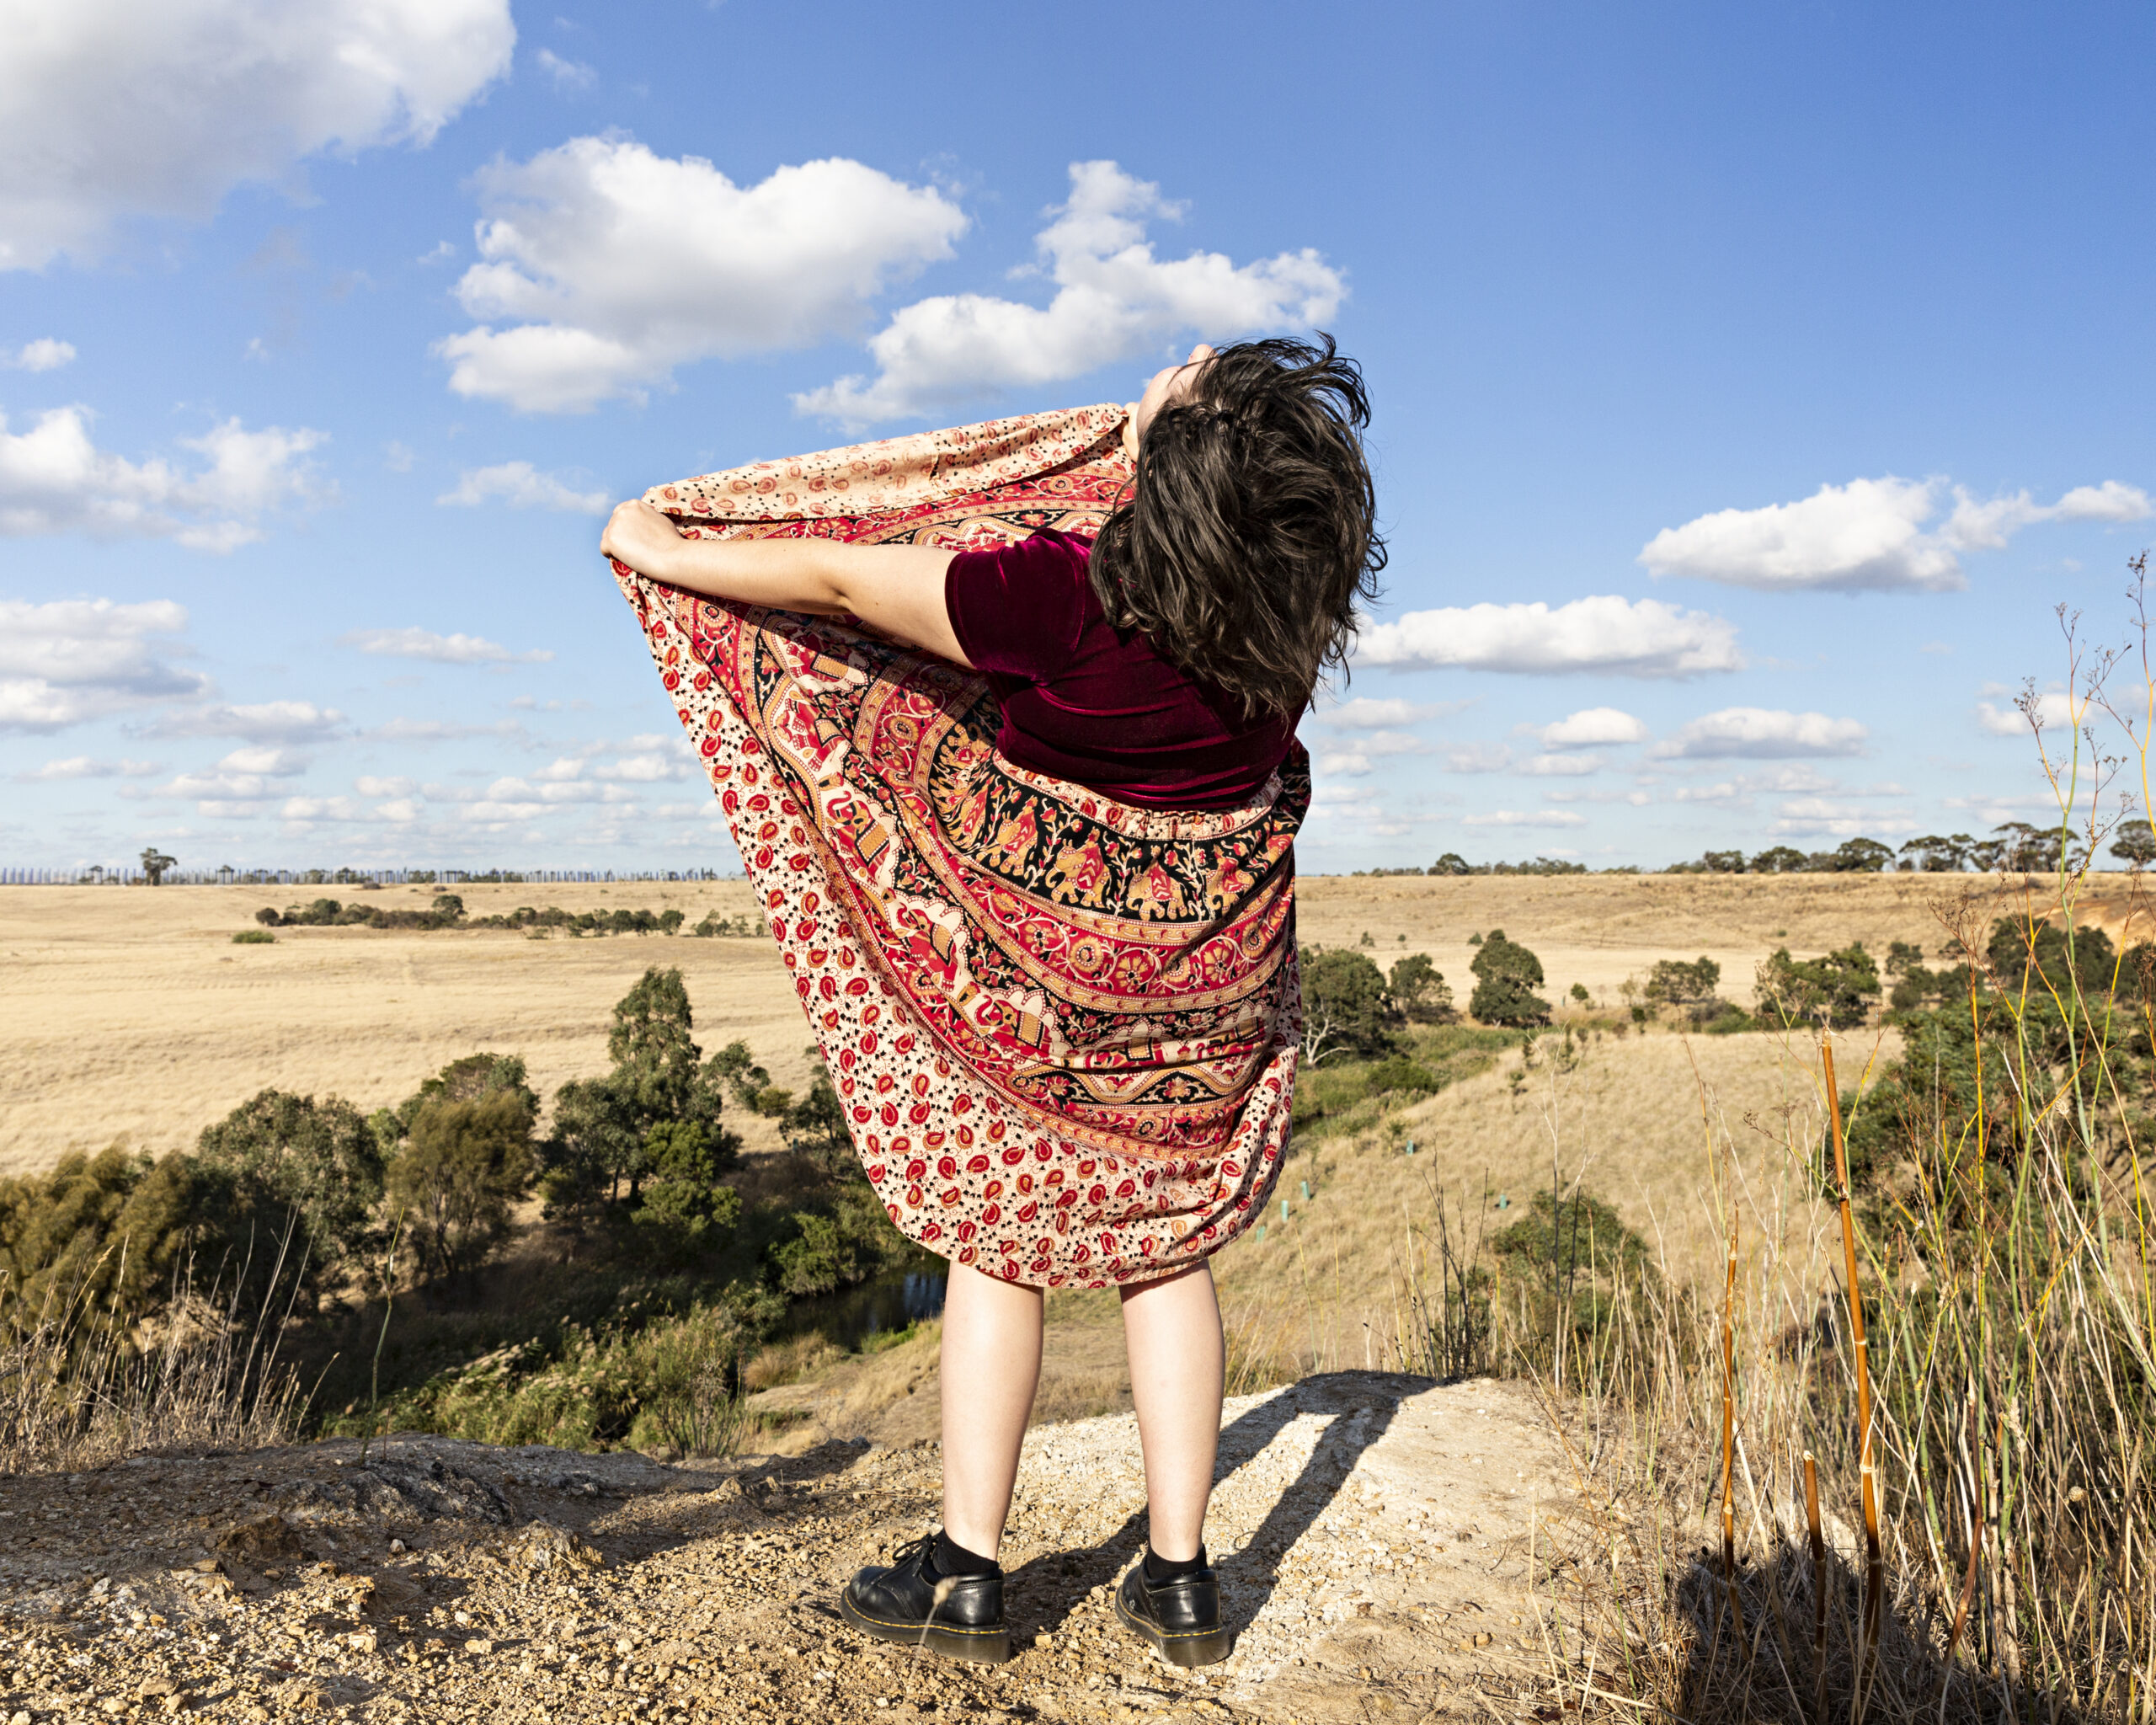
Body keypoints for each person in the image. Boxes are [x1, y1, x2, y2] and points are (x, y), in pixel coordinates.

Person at [600, 336, 1383, 1668]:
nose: (1177, 367)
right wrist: (1164, 433)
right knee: (1167, 1249)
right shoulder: (1285, 623)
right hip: (1204, 988)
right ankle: (1182, 1582)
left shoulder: (1061, 598)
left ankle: (968, 1575)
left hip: (1041, 996)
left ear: (1172, 477)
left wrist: (658, 546)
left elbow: (844, 579)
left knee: (998, 1243)